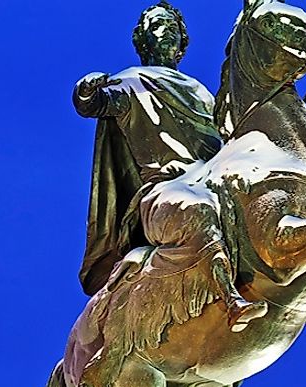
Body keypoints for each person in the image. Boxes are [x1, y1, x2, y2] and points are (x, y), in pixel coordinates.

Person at [73, 1, 268, 332]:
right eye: (154, 26)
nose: (163, 31)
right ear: (143, 41)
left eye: (170, 27)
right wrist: (87, 91)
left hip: (211, 181)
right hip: (165, 190)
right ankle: (230, 300)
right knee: (197, 209)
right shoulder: (132, 81)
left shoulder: (203, 94)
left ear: (181, 44)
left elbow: (227, 139)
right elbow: (95, 104)